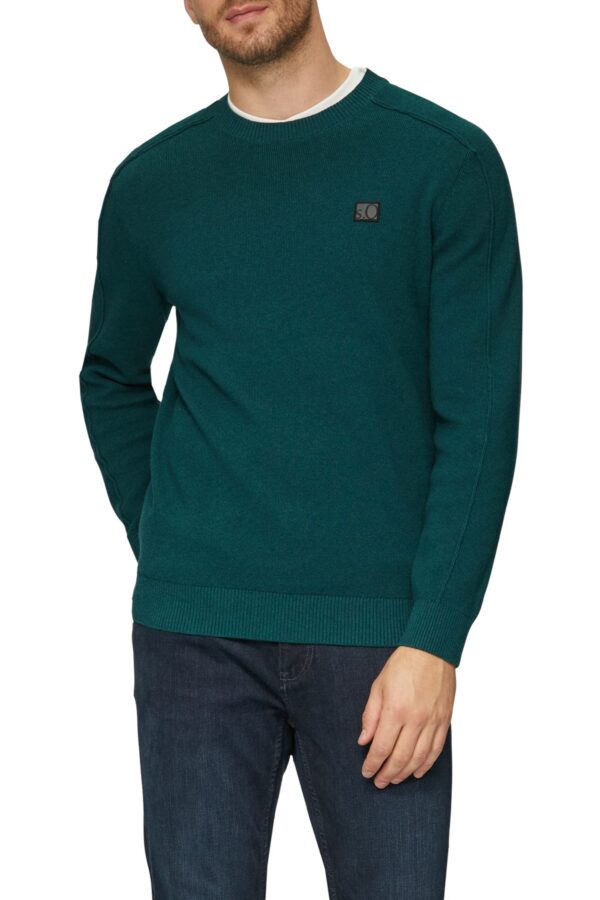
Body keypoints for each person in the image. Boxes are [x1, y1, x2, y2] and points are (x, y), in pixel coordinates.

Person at [78, 1, 522, 897]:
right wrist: (164, 528)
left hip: (382, 645)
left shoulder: (444, 161)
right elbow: (110, 375)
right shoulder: (152, 182)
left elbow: (480, 420)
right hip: (192, 641)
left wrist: (436, 638)